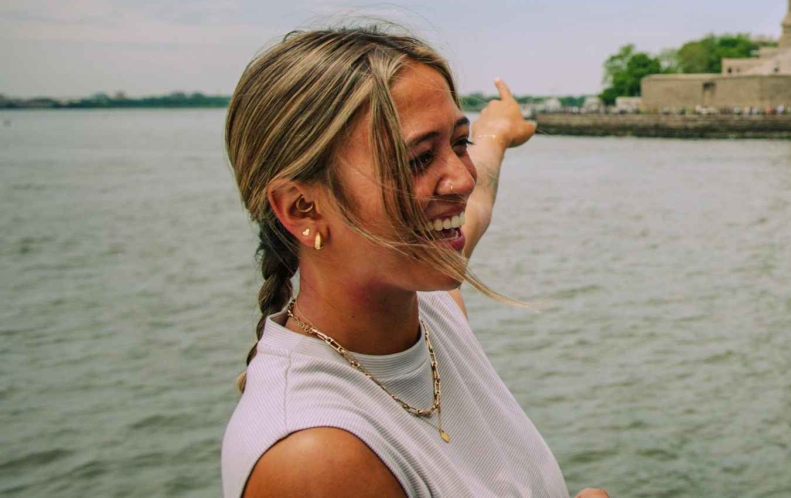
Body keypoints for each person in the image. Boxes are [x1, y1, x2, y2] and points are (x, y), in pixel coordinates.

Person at [220, 26, 608, 498]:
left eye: (458, 144)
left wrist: (496, 131)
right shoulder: (315, 459)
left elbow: (478, 197)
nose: (462, 179)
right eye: (419, 160)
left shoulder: (432, 308)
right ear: (304, 207)